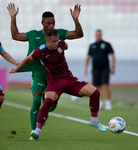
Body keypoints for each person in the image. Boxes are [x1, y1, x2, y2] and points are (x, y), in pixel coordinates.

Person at [9, 28, 106, 140]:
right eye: (53, 41)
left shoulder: (61, 43)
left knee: (95, 93)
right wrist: (16, 69)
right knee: (47, 102)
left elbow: (65, 45)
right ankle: (37, 130)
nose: (56, 43)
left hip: (69, 79)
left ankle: (94, 120)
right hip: (54, 82)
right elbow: (27, 59)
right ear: (47, 42)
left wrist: (64, 46)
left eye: (57, 40)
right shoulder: (40, 51)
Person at [7, 3, 83, 140]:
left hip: (55, 77)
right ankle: (33, 132)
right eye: (49, 23)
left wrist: (76, 20)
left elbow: (78, 34)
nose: (52, 26)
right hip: (39, 74)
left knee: (51, 105)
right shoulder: (33, 34)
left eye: (53, 23)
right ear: (42, 23)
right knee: (36, 100)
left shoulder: (58, 33)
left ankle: (46, 112)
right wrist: (13, 18)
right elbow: (15, 36)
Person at [84, 29, 115, 110]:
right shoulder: (92, 46)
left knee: (105, 85)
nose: (98, 36)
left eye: (99, 34)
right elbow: (88, 57)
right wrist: (85, 68)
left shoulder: (107, 44)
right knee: (97, 87)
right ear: (95, 35)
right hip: (95, 69)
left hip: (105, 68)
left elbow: (113, 55)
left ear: (101, 35)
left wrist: (113, 67)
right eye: (97, 34)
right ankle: (100, 103)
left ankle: (108, 103)